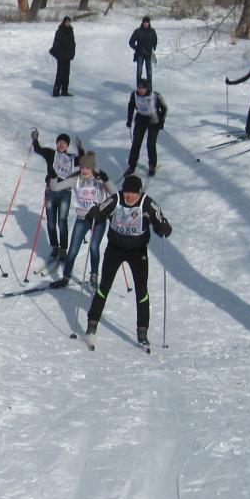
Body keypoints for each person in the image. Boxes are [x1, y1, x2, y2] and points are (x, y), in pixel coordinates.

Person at [82, 174, 173, 349]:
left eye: (133, 193)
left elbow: (159, 220)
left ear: (139, 192)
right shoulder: (116, 199)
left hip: (137, 251)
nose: (129, 196)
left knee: (141, 290)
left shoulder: (147, 203)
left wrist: (163, 227)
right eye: (127, 192)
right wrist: (94, 215)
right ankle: (92, 324)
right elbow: (101, 210)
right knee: (104, 287)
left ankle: (142, 331)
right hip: (115, 248)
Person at [47, 152, 115, 290]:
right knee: (72, 250)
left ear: (92, 168)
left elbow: (114, 194)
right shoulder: (75, 179)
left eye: (87, 168)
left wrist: (106, 180)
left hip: (98, 220)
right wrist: (53, 176)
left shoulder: (98, 180)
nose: (84, 170)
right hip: (82, 219)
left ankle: (94, 275)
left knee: (94, 248)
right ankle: (66, 277)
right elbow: (55, 187)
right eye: (82, 167)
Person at [31, 128, 81, 264]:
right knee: (51, 222)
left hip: (65, 192)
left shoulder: (71, 158)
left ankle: (63, 250)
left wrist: (80, 147)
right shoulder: (50, 153)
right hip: (51, 191)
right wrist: (35, 139)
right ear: (57, 143)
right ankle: (55, 247)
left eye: (65, 143)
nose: (62, 144)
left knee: (62, 222)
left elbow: (83, 161)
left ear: (67, 145)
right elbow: (38, 149)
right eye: (60, 142)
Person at [124, 78, 168, 177]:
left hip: (153, 120)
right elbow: (131, 107)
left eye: (142, 88)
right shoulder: (134, 95)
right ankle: (132, 165)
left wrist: (161, 122)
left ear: (147, 88)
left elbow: (164, 108)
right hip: (140, 119)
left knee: (150, 144)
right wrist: (129, 120)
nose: (140, 90)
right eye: (138, 87)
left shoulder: (155, 95)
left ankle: (152, 165)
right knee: (136, 143)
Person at [49, 16, 75, 97]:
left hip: (68, 57)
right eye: (67, 22)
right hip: (61, 57)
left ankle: (64, 91)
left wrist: (72, 53)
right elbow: (56, 44)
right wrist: (59, 54)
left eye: (69, 22)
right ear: (64, 22)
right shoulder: (60, 31)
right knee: (60, 74)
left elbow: (73, 43)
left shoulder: (71, 31)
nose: (68, 23)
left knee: (66, 75)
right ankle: (56, 92)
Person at [128, 16, 157, 88]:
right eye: (144, 22)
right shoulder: (138, 31)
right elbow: (131, 42)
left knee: (149, 72)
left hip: (148, 54)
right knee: (139, 71)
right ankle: (139, 87)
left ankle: (149, 88)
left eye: (147, 23)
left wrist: (153, 48)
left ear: (149, 23)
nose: (146, 24)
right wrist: (136, 48)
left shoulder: (152, 31)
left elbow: (155, 41)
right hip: (140, 54)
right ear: (142, 23)